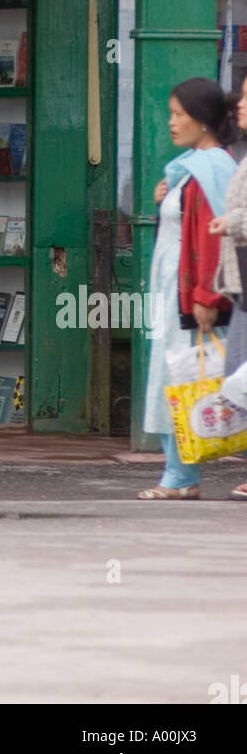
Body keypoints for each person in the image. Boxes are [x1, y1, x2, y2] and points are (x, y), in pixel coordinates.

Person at [138, 77, 237, 500]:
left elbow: (213, 238)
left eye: (179, 114)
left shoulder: (210, 169)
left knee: (183, 377)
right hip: (174, 292)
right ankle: (179, 472)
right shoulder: (190, 169)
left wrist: (205, 297)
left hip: (191, 295)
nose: (172, 122)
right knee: (177, 376)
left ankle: (180, 476)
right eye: (171, 114)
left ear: (202, 118)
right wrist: (164, 198)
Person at [208, 73, 247, 499]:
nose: (240, 103)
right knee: (238, 372)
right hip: (242, 280)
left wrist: (232, 222)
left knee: (240, 373)